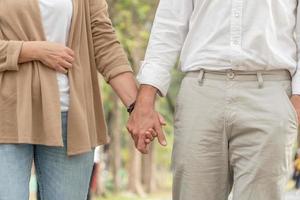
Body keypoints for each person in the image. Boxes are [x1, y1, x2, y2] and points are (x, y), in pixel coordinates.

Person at [127, 1, 300, 200]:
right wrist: (145, 100)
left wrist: (296, 102)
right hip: (201, 90)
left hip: (270, 92)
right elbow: (169, 23)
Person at [0, 0, 165, 199]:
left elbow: (104, 43)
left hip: (71, 119)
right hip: (8, 115)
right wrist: (31, 51)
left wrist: (138, 108)